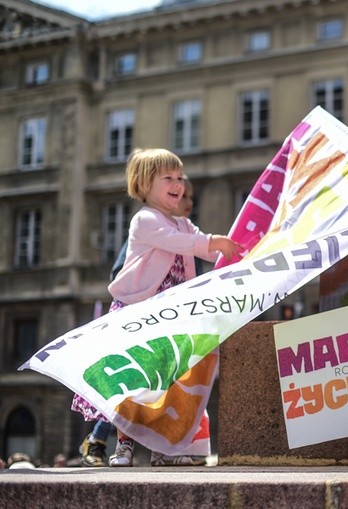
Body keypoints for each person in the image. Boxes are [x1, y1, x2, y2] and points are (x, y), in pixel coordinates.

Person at [72, 148, 241, 468]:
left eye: (180, 177)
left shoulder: (183, 223)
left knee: (169, 387)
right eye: (168, 178)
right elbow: (188, 245)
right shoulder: (145, 220)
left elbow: (201, 246)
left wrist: (232, 253)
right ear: (143, 184)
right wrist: (216, 242)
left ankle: (168, 450)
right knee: (137, 386)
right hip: (138, 313)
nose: (178, 183)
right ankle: (122, 449)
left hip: (172, 317)